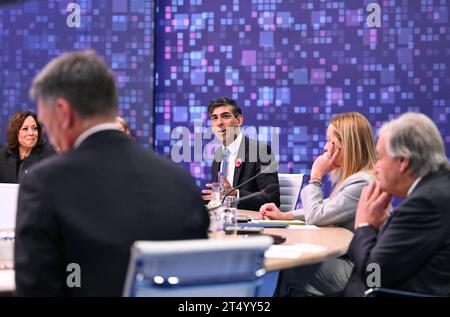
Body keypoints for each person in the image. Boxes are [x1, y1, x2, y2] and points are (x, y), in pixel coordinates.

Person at [14, 50, 209, 297]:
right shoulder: (180, 181)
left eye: (45, 122)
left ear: (64, 112)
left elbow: (36, 291)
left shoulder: (44, 183)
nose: (48, 136)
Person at [260, 112, 378, 296]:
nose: (324, 147)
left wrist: (315, 177)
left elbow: (317, 215)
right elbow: (331, 205)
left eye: (329, 141)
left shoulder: (363, 182)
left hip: (362, 273)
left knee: (293, 264)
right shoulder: (363, 178)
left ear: (346, 144)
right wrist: (286, 216)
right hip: (356, 264)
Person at [344, 112, 450, 296]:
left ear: (402, 161)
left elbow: (373, 277)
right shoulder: (439, 188)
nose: (375, 167)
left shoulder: (425, 204)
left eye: (380, 157)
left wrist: (365, 225)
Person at [202, 97, 280, 211]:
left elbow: (272, 198)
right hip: (222, 221)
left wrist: (236, 194)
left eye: (225, 116)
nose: (219, 122)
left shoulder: (260, 151)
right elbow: (220, 198)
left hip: (250, 223)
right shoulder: (218, 155)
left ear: (239, 121)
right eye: (214, 118)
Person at [0, 110, 55, 183]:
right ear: (15, 132)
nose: (31, 133)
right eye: (25, 129)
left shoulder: (49, 155)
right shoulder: (3, 155)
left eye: (34, 128)